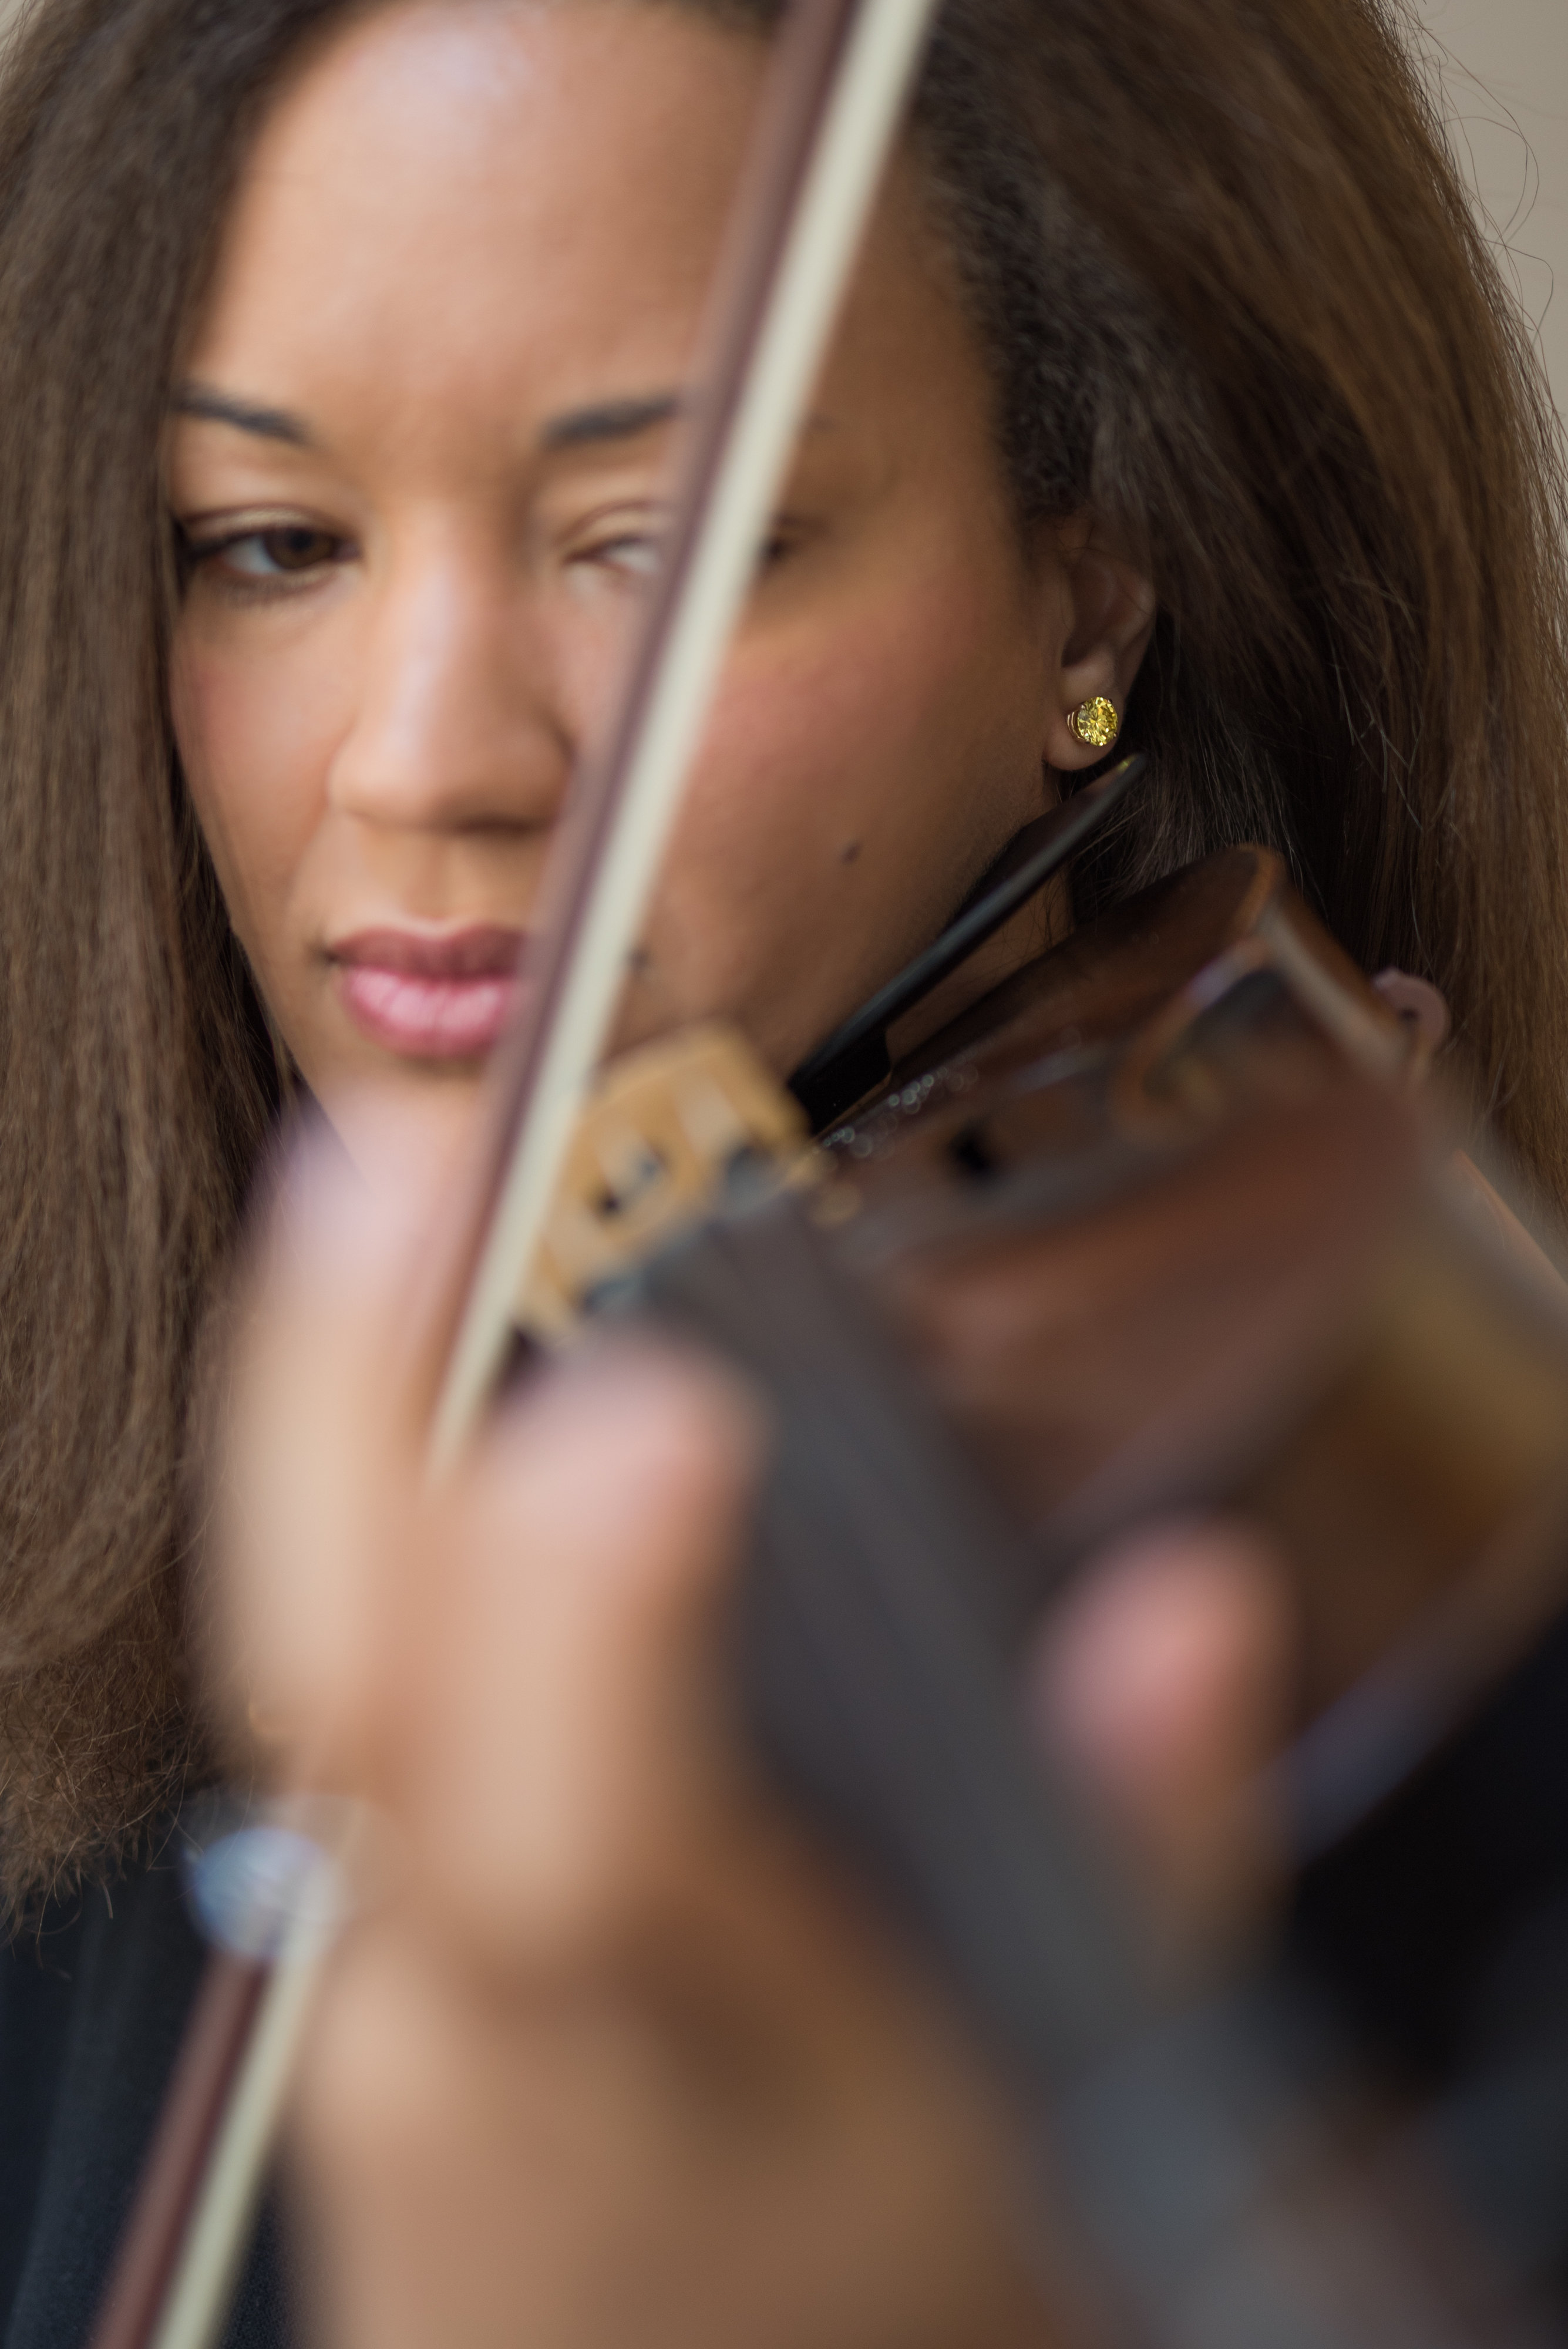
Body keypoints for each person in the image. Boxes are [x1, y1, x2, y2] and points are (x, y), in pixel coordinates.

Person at [0, 0, 1566, 2341]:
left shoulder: (1321, 1579)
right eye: (268, 539)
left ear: (1087, 586)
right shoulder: (86, 1594)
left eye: (663, 539)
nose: (423, 761)